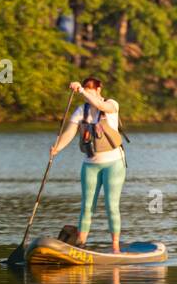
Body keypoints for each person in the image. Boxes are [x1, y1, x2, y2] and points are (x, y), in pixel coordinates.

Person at [50, 78, 126, 252]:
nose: (86, 97)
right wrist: (57, 148)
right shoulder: (80, 111)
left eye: (90, 92)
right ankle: (80, 244)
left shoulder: (111, 104)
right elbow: (69, 132)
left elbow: (101, 107)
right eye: (85, 92)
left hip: (114, 163)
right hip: (90, 164)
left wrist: (83, 91)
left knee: (111, 205)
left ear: (99, 89)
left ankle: (115, 247)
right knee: (86, 206)